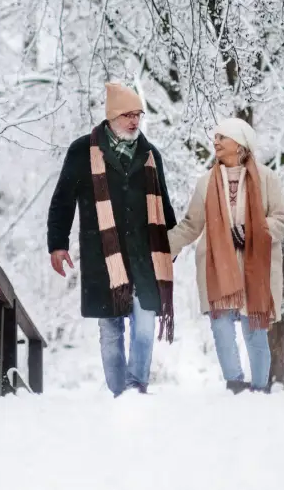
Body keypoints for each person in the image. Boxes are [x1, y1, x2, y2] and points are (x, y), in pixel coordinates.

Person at [47, 83, 178, 396]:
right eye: (127, 115)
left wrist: (171, 242)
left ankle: (135, 387)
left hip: (144, 255)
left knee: (145, 327)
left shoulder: (150, 154)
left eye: (138, 114)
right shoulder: (82, 151)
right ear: (111, 117)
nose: (134, 121)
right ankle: (120, 393)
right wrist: (57, 244)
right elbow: (63, 199)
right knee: (110, 331)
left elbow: (165, 202)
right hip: (102, 256)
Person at [168, 118, 284, 393]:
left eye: (223, 137)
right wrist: (162, 248)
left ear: (241, 144)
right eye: (216, 137)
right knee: (221, 329)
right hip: (216, 268)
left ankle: (259, 390)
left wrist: (253, 230)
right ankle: (235, 384)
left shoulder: (268, 179)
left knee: (254, 331)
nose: (216, 142)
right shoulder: (205, 183)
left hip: (256, 269)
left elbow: (282, 221)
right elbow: (191, 225)